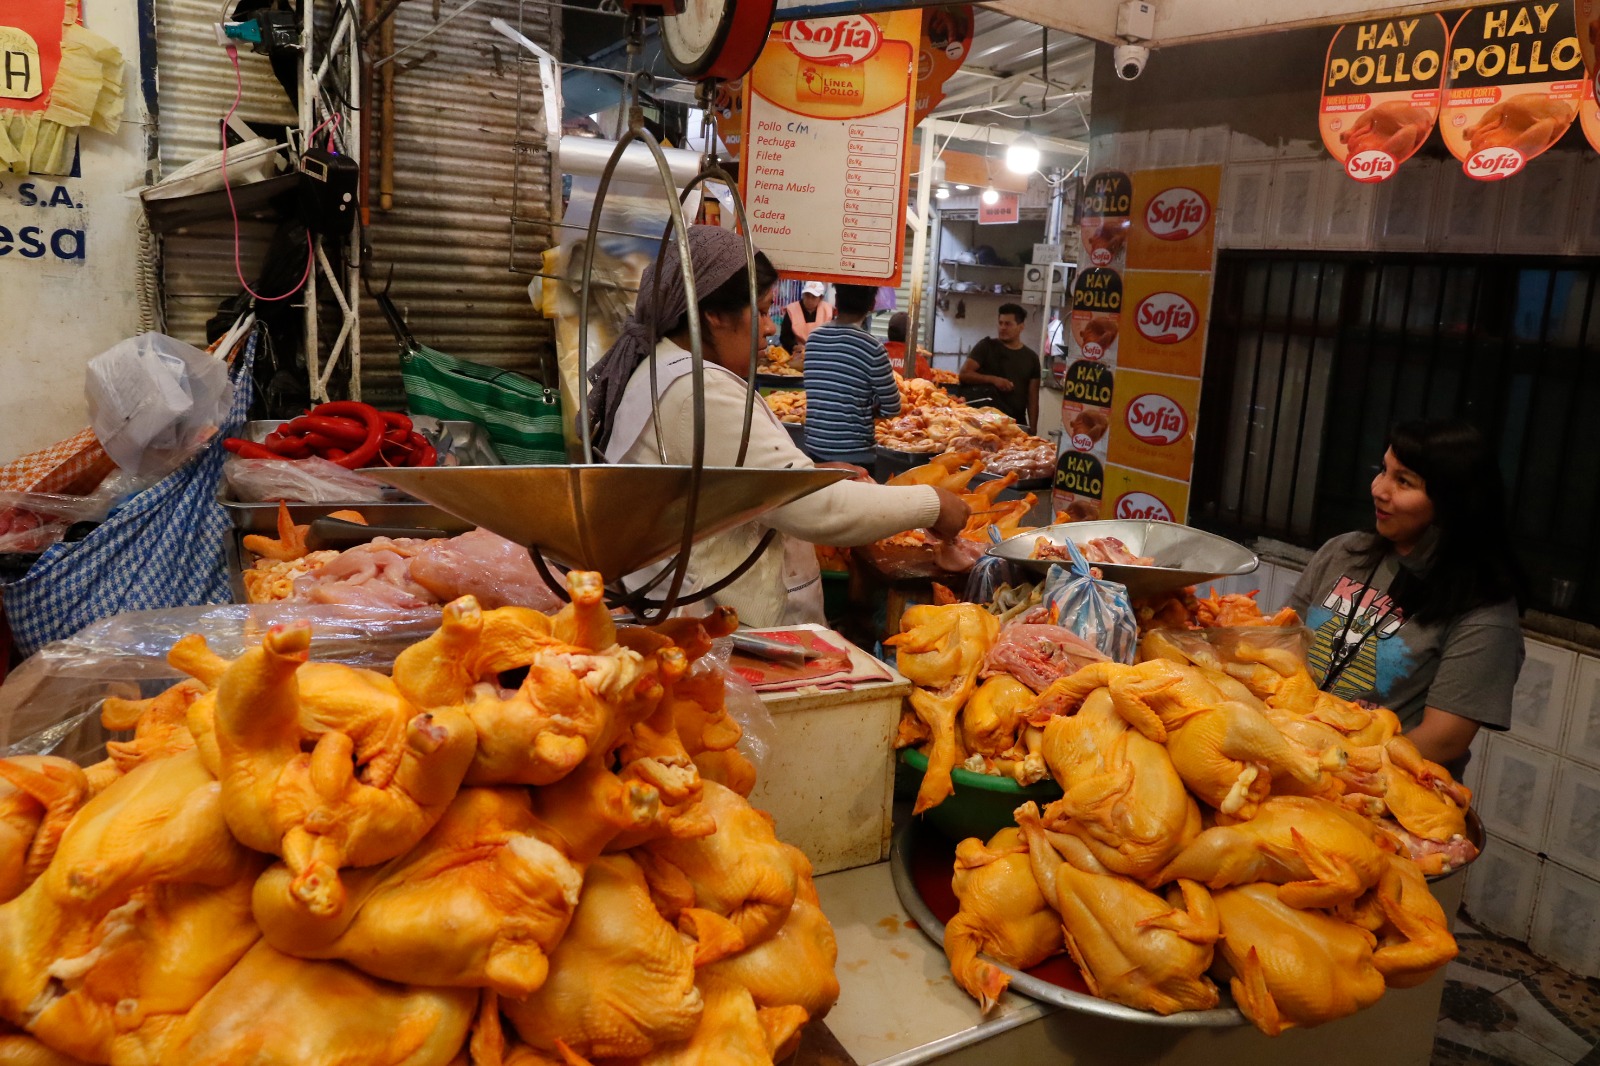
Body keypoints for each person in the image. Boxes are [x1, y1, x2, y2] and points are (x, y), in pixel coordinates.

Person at [588, 226, 971, 627]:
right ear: (713, 315)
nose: (770, 327)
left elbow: (716, 480)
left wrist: (802, 476)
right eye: (761, 311)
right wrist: (932, 504)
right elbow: (816, 510)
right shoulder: (697, 390)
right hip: (711, 626)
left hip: (691, 608)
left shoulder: (666, 370)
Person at [1286, 419, 1526, 773]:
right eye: (1384, 470)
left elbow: (1445, 739)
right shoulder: (1343, 552)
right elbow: (1284, 640)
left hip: (1376, 782)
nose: (1379, 489)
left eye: (1404, 481)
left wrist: (1340, 763)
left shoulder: (1485, 609)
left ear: (1451, 501)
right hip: (1294, 753)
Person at [802, 284, 901, 472]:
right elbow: (893, 407)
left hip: (815, 450)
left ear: (836, 300)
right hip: (856, 456)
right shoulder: (873, 348)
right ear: (872, 305)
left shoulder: (813, 338)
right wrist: (867, 407)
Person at [959, 303, 1040, 430]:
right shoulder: (986, 347)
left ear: (1021, 327)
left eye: (1008, 324)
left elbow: (1033, 398)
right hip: (985, 422)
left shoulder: (1031, 358)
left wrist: (1033, 430)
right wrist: (994, 380)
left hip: (1014, 423)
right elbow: (964, 374)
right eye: (1000, 323)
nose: (1002, 328)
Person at [779, 280, 833, 354]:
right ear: (803, 295)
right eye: (807, 295)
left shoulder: (828, 310)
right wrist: (793, 346)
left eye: (814, 297)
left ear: (821, 298)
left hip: (822, 352)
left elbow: (832, 335)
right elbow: (785, 336)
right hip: (798, 353)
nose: (809, 300)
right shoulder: (792, 310)